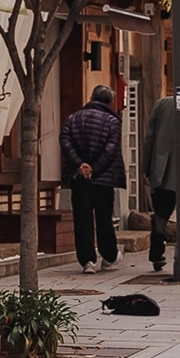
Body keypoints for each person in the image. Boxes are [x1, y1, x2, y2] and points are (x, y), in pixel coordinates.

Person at [60, 83, 127, 273]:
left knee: (82, 219)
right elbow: (111, 149)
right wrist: (95, 169)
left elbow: (65, 140)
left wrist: (80, 165)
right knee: (104, 218)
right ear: (110, 101)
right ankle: (109, 255)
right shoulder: (113, 121)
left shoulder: (73, 118)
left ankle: (87, 261)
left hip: (78, 178)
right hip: (103, 179)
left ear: (91, 97)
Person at [142, 88, 180, 274]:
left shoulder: (161, 104)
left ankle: (157, 251)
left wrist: (145, 167)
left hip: (161, 166)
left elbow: (149, 138)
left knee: (161, 212)